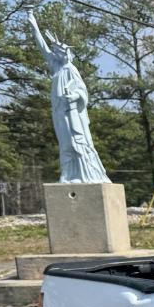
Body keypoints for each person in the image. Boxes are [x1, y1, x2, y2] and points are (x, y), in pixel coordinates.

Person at [28, 11, 110, 184]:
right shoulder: (56, 67)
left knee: (77, 142)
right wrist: (33, 24)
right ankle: (68, 174)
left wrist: (74, 96)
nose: (57, 54)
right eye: (56, 52)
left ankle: (85, 174)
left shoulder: (71, 69)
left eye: (60, 52)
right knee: (65, 144)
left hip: (71, 113)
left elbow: (82, 90)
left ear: (67, 54)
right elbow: (43, 47)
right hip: (59, 112)